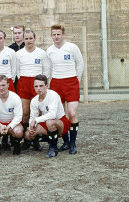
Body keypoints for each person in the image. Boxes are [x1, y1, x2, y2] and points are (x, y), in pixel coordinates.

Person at [47, 24, 84, 154]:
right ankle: (66, 142)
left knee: (72, 113)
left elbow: (80, 64)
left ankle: (73, 143)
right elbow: (48, 68)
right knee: (60, 114)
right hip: (56, 83)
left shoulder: (72, 47)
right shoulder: (50, 50)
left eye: (58, 34)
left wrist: (76, 80)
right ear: (51, 35)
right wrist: (47, 83)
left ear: (63, 34)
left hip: (71, 82)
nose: (56, 37)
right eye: (54, 34)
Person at [16, 30, 50, 150]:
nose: (29, 41)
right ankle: (26, 139)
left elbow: (46, 69)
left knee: (37, 113)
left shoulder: (41, 53)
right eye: (26, 38)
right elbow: (17, 71)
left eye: (31, 38)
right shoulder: (19, 54)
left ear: (35, 39)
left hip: (37, 83)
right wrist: (23, 80)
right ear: (23, 39)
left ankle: (35, 139)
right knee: (25, 113)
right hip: (24, 82)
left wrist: (41, 82)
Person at [24, 74, 71, 158]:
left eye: (41, 86)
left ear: (47, 86)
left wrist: (36, 120)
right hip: (46, 122)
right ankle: (48, 139)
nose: (38, 88)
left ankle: (53, 148)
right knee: (28, 134)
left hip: (61, 122)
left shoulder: (53, 95)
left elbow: (52, 115)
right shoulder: (34, 100)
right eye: (36, 86)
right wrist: (31, 126)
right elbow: (33, 117)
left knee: (50, 123)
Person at [0, 75, 23, 156]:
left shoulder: (15, 97)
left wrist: (9, 126)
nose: (1, 88)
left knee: (19, 131)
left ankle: (16, 146)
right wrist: (0, 125)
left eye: (3, 85)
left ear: (8, 85)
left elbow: (19, 116)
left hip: (11, 124)